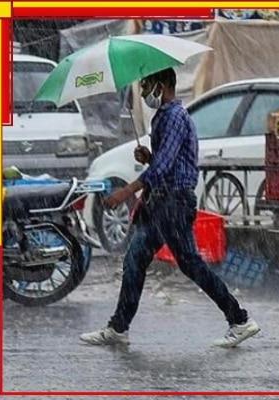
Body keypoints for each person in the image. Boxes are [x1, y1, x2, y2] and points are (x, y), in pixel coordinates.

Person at [79, 68, 260, 348]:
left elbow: (164, 167)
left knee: (190, 264)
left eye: (146, 86)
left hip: (173, 203)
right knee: (135, 260)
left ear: (160, 86)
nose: (142, 93)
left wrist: (127, 190)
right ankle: (118, 328)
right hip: (161, 202)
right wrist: (148, 156)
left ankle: (239, 320)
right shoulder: (164, 116)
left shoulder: (174, 117)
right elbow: (167, 162)